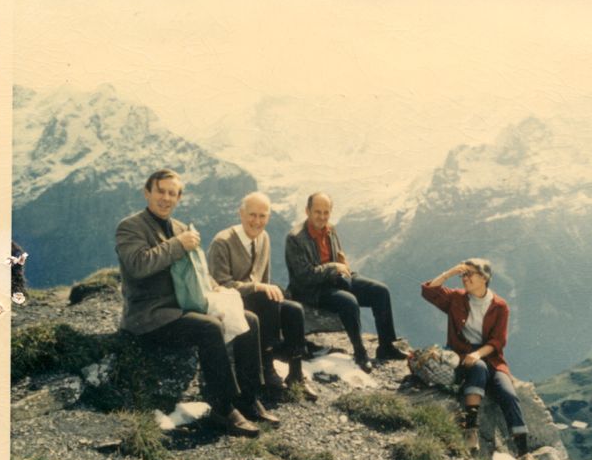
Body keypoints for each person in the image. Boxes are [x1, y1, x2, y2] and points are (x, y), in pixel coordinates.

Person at [115, 169, 279, 437]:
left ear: (178, 197)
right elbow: (138, 265)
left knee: (249, 319)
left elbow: (198, 273)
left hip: (182, 307)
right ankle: (223, 409)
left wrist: (216, 290)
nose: (166, 198)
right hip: (149, 316)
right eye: (161, 191)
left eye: (172, 193)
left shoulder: (180, 228)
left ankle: (248, 399)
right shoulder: (131, 227)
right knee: (210, 327)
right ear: (148, 192)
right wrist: (178, 244)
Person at [207, 192, 319, 401]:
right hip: (229, 304)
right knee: (266, 298)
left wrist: (264, 289)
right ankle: (266, 367)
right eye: (252, 215)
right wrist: (256, 287)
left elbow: (264, 277)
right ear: (241, 214)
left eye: (262, 216)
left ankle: (296, 374)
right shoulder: (222, 242)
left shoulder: (263, 237)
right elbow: (220, 286)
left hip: (258, 300)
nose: (257, 221)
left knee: (293, 309)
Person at [284, 192, 407, 373]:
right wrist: (334, 267)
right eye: (317, 212)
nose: (322, 217)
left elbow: (339, 255)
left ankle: (386, 346)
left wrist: (343, 268)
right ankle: (360, 352)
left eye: (326, 212)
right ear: (307, 211)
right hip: (311, 290)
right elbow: (304, 276)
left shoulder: (330, 229)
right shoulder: (295, 238)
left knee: (380, 291)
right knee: (348, 301)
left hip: (333, 279)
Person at [421, 258, 531, 458]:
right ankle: (470, 429)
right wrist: (450, 272)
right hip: (462, 354)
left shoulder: (499, 306)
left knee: (508, 393)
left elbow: (498, 341)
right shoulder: (457, 298)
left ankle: (524, 453)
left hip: (490, 357)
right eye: (463, 274)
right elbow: (429, 291)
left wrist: (478, 353)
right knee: (478, 368)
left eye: (469, 274)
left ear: (484, 277)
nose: (464, 278)